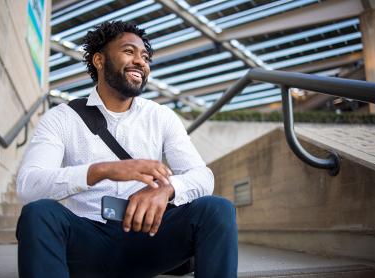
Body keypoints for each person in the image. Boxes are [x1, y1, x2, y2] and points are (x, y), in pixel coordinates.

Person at [16, 21, 238, 278]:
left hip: (151, 237)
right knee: (38, 214)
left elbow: (202, 176)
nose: (141, 62)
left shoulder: (160, 116)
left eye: (145, 57)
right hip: (88, 240)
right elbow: (28, 185)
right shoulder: (62, 118)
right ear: (99, 60)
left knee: (217, 209)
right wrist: (103, 170)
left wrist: (168, 189)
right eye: (129, 52)